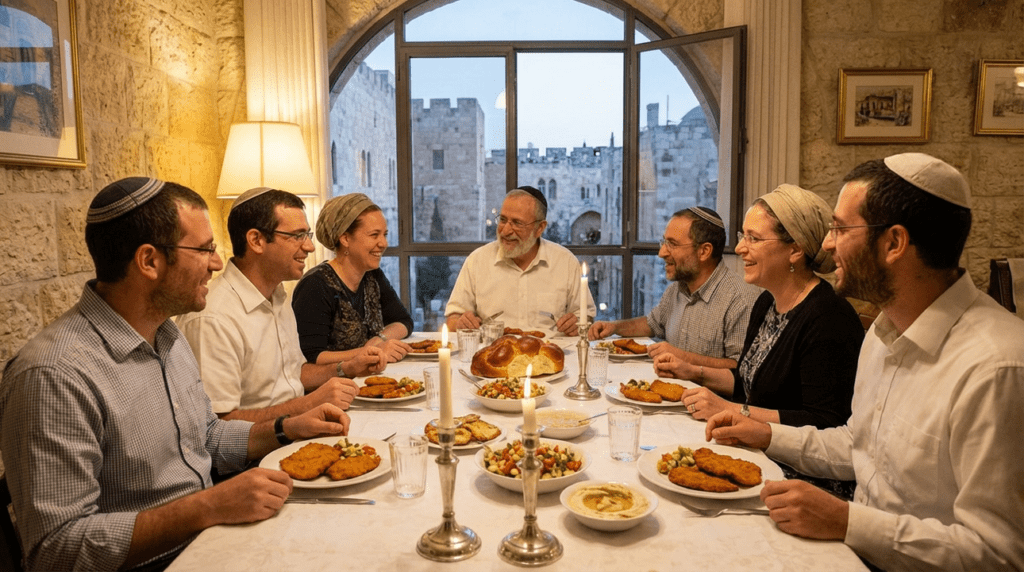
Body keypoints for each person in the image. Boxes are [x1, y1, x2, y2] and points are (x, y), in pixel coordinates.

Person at [0, 178, 351, 572]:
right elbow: (55, 550)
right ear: (149, 261)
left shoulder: (165, 333)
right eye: (204, 250)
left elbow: (207, 436)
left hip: (206, 541)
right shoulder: (54, 375)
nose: (216, 264)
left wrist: (287, 427)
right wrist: (207, 507)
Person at [705, 154, 1024, 571]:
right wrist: (765, 434)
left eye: (840, 229)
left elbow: (1000, 554)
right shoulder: (883, 331)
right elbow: (858, 446)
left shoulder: (996, 367)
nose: (827, 244)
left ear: (894, 243)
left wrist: (848, 522)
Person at [655, 185, 863, 430]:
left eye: (753, 238)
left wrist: (730, 409)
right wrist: (690, 370)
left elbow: (825, 423)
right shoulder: (767, 302)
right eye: (743, 236)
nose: (740, 248)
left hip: (784, 454)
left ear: (795, 249)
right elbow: (746, 381)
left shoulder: (829, 318)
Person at [176, 188, 384, 423]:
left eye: (307, 235)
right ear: (256, 240)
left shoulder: (277, 296)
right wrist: (308, 404)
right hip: (266, 445)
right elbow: (218, 425)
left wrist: (347, 368)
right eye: (297, 236)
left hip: (297, 429)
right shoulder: (213, 318)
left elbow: (295, 374)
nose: (310, 246)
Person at [588, 207, 759, 369]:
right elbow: (652, 324)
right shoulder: (676, 290)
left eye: (672, 244)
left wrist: (681, 357)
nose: (661, 252)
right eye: (664, 242)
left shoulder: (741, 300)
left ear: (704, 251)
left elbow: (741, 369)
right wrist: (614, 327)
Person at [445, 186, 595, 336]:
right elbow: (453, 319)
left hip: (550, 349)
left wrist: (576, 323)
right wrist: (460, 322)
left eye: (517, 223)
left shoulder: (565, 262)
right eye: (503, 220)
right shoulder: (477, 261)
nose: (505, 231)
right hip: (494, 349)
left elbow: (586, 318)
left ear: (539, 228)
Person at [292, 193, 414, 365]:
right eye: (374, 235)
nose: (383, 243)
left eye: (384, 234)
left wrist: (379, 339)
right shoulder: (315, 285)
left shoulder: (373, 275)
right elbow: (311, 357)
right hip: (334, 381)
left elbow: (403, 321)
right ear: (345, 238)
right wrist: (371, 352)